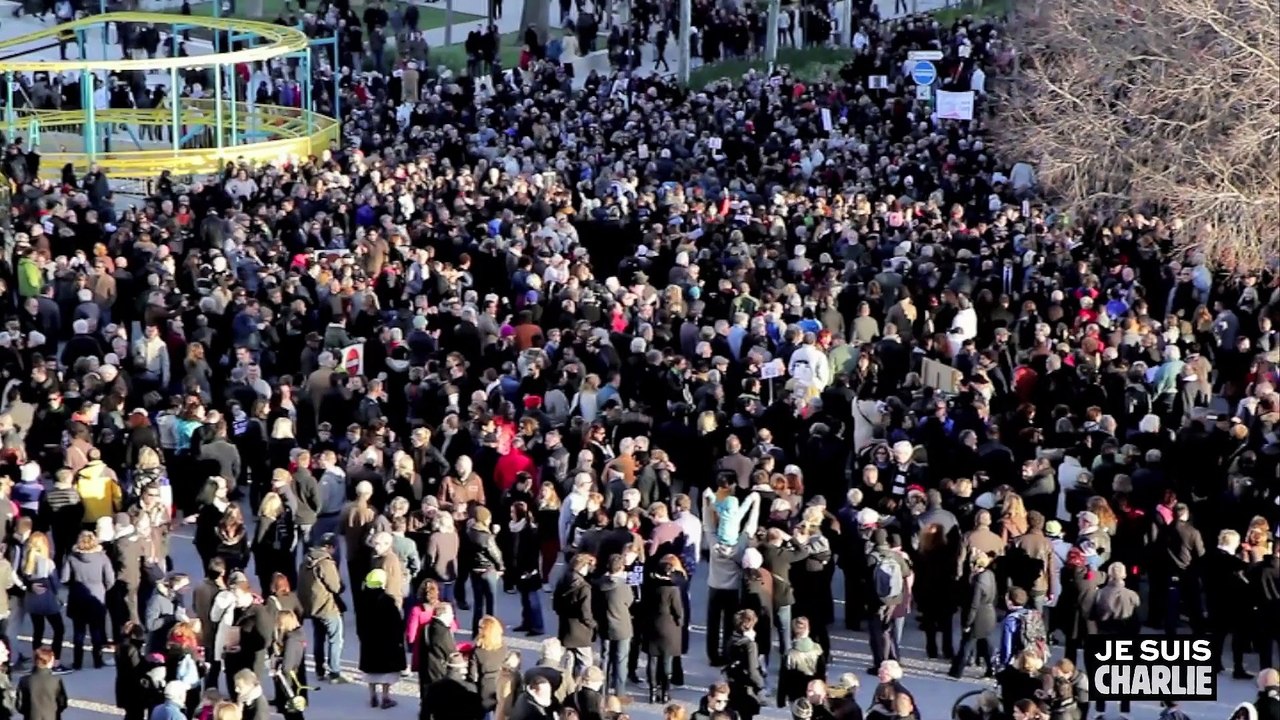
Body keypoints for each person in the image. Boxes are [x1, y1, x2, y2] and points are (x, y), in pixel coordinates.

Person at [60, 530, 114, 669]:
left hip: (77, 596)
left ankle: (78, 662)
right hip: (96, 596)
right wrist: (103, 589)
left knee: (79, 631)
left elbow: (64, 578)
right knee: (96, 630)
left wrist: (73, 585)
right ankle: (97, 661)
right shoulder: (102, 557)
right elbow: (110, 579)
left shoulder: (72, 557)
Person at [297, 534, 346, 684]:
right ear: (330, 547)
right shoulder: (325, 563)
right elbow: (335, 587)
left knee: (319, 638)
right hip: (327, 607)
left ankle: (319, 669)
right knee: (335, 639)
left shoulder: (306, 560)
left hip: (312, 607)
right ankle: (334, 672)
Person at [356, 569, 405, 709]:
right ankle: (385, 697)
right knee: (386, 672)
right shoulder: (388, 601)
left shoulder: (362, 600)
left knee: (370, 670)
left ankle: (372, 696)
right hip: (386, 643)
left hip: (369, 642)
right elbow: (397, 624)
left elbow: (359, 623)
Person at [645, 554, 685, 704]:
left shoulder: (651, 585)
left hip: (653, 624)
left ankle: (653, 692)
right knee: (667, 660)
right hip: (669, 627)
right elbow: (678, 611)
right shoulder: (673, 590)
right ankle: (665, 692)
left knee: (652, 660)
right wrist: (680, 622)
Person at [554, 553, 597, 676]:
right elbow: (585, 613)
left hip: (565, 627)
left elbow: (555, 604)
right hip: (580, 631)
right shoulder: (584, 587)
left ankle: (567, 685)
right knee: (585, 662)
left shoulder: (563, 579)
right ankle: (581, 687)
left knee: (569, 660)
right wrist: (593, 625)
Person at [725, 610, 765, 720]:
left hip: (733, 683)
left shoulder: (732, 639)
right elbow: (753, 671)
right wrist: (761, 684)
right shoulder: (750, 645)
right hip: (746, 687)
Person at [269, 610, 308, 720]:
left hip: (289, 683)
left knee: (292, 713)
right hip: (295, 679)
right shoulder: (298, 635)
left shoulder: (292, 640)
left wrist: (277, 664)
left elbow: (287, 666)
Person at [15, 647, 68, 720]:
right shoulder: (56, 680)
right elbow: (63, 702)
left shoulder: (24, 680)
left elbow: (19, 705)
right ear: (50, 662)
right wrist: (56, 711)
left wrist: (28, 712)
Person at [469, 616, 507, 716]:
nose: (478, 629)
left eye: (480, 627)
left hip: (485, 688)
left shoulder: (478, 651)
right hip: (500, 685)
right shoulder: (503, 647)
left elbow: (472, 675)